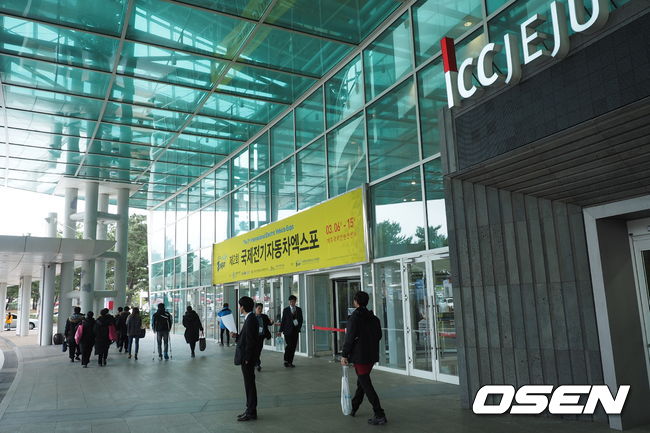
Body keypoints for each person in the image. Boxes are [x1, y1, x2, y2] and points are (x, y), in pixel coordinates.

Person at [340, 291, 386, 426]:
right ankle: (353, 407)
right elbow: (379, 336)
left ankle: (379, 413)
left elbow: (349, 338)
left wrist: (344, 354)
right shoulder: (374, 318)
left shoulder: (354, 318)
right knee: (362, 382)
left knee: (366, 384)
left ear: (356, 302)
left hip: (360, 356)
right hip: (371, 356)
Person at [232, 296, 260, 422]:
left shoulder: (250, 319)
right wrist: (237, 336)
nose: (239, 308)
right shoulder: (250, 318)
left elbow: (251, 341)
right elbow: (246, 337)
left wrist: (248, 358)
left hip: (247, 358)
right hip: (247, 357)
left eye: (240, 306)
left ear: (243, 307)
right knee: (249, 384)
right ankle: (250, 409)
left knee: (249, 385)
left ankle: (251, 411)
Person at [279, 295, 303, 367]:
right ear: (289, 302)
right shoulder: (286, 310)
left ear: (295, 302)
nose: (292, 303)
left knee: (293, 347)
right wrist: (280, 331)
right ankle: (286, 360)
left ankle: (290, 362)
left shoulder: (299, 309)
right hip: (287, 331)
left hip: (295, 331)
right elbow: (283, 321)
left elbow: (301, 320)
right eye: (291, 301)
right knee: (289, 345)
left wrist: (298, 327)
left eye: (293, 301)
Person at [254, 303, 271, 372]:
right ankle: (257, 363)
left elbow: (268, 323)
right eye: (259, 308)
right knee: (255, 350)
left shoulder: (264, 316)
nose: (260, 310)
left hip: (261, 336)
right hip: (254, 336)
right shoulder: (252, 317)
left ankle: (256, 363)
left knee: (258, 350)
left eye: (261, 308)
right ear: (255, 309)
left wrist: (272, 322)